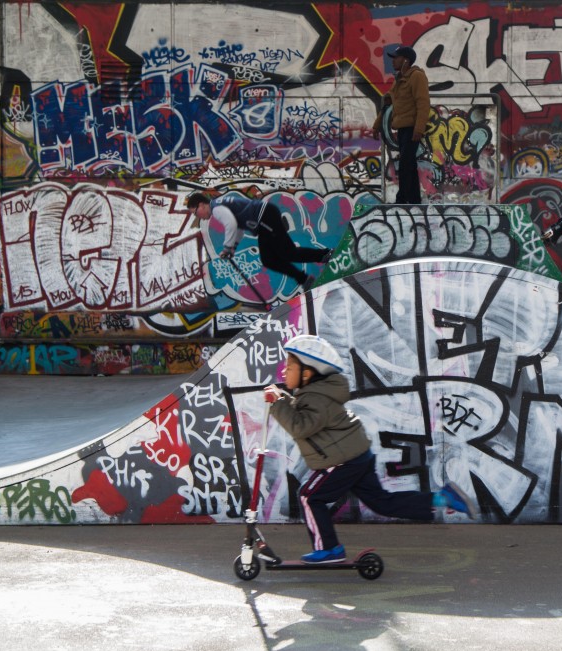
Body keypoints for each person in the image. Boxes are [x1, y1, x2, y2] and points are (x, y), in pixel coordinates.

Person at [264, 334, 477, 564]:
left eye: (289, 366)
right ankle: (441, 499)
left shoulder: (317, 397)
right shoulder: (316, 393)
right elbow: (305, 417)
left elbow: (300, 426)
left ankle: (329, 549)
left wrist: (277, 403)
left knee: (308, 496)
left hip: (342, 460)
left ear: (307, 373)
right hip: (356, 455)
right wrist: (283, 399)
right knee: (382, 503)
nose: (284, 372)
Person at [185, 192, 330, 291]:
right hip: (265, 220)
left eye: (195, 213)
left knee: (287, 253)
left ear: (201, 205)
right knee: (270, 259)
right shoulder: (219, 205)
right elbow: (239, 227)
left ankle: (324, 256)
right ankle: (305, 278)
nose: (199, 217)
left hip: (265, 218)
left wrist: (227, 248)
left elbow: (230, 224)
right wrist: (233, 247)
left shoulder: (216, 209)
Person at [371, 45, 431, 204]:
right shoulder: (399, 80)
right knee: (409, 166)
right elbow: (387, 104)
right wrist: (377, 126)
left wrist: (419, 129)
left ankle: (402, 200)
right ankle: (414, 200)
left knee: (405, 166)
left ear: (405, 61)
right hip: (403, 129)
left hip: (412, 129)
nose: (393, 61)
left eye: (396, 58)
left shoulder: (417, 76)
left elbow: (423, 104)